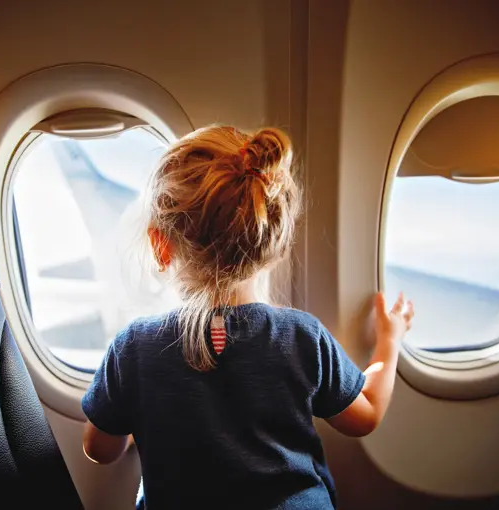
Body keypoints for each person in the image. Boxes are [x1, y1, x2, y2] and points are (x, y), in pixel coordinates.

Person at [80, 125, 414, 509]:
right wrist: (391, 339)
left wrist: (140, 413)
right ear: (273, 240)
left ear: (160, 245)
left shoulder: (134, 348)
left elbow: (99, 448)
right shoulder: (300, 337)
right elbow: (366, 414)